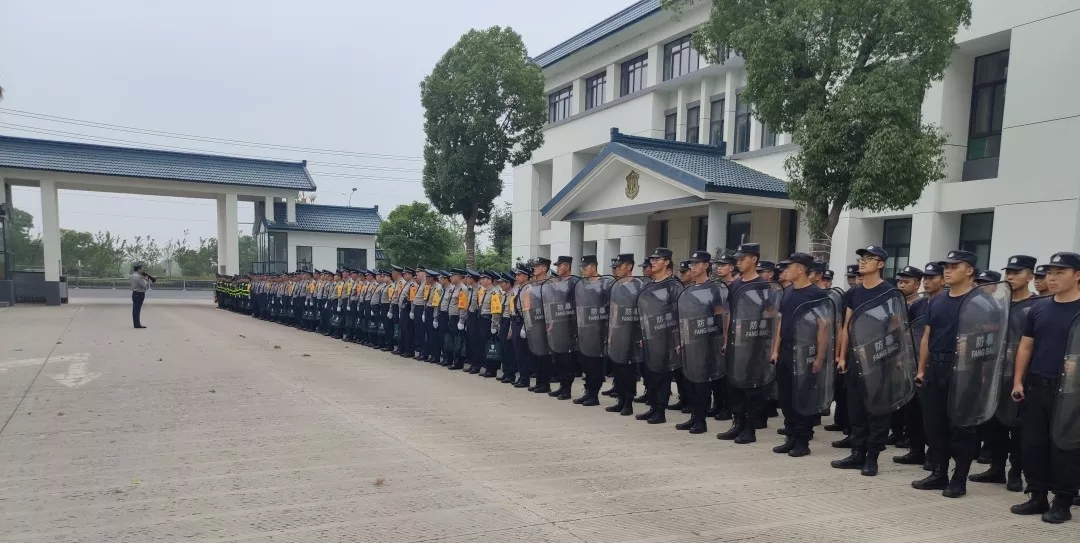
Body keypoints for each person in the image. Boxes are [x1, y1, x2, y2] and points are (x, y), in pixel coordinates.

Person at [1009, 251, 1080, 523]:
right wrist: (1018, 380)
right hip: (1037, 386)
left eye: (1060, 272)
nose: (1052, 278)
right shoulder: (1039, 308)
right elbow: (1026, 346)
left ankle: (1062, 501)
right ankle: (1036, 495)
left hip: (1071, 391)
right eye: (1050, 272)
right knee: (1033, 444)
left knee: (1064, 446)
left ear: (1077, 275)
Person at [912, 249, 985, 497]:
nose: (948, 270)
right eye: (946, 266)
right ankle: (939, 473)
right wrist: (922, 369)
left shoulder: (980, 302)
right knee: (935, 425)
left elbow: (991, 339)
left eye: (955, 266)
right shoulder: (937, 301)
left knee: (961, 427)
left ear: (970, 271)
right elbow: (927, 337)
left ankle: (959, 479)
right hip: (936, 367)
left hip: (965, 370)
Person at [832, 245, 895, 476]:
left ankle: (872, 457)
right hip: (855, 359)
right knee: (856, 408)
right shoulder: (854, 293)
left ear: (881, 264)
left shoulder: (889, 292)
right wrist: (842, 356)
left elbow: (896, 327)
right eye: (861, 258)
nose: (863, 262)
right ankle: (857, 453)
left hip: (879, 359)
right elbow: (846, 327)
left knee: (877, 411)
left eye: (869, 258)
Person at [772, 252, 828, 456]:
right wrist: (776, 350)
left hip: (806, 351)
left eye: (790, 266)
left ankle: (802, 441)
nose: (786, 270)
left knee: (803, 397)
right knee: (786, 397)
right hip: (786, 350)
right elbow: (781, 323)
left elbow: (823, 326)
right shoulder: (787, 292)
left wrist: (820, 357)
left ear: (801, 269)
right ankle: (791, 436)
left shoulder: (816, 294)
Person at [717, 242, 771, 444]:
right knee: (734, 385)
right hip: (736, 343)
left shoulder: (763, 285)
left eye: (743, 258)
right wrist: (726, 339)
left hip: (755, 344)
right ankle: (737, 423)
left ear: (754, 259)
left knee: (752, 388)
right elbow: (730, 314)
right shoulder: (736, 285)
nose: (739, 262)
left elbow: (770, 315)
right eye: (737, 259)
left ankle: (750, 428)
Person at [130, 262, 153, 329]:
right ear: (138, 269)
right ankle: (137, 324)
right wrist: (146, 279)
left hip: (135, 293)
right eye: (142, 268)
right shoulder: (138, 277)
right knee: (137, 310)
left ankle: (136, 323)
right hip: (139, 294)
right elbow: (144, 286)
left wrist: (143, 278)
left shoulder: (134, 275)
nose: (143, 270)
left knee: (135, 310)